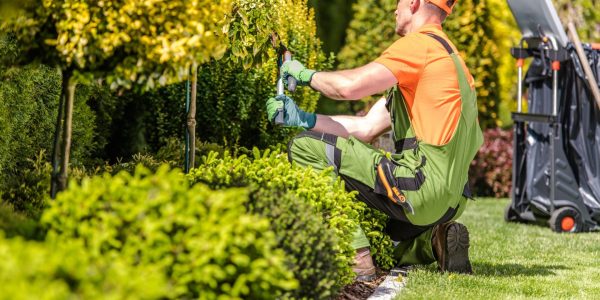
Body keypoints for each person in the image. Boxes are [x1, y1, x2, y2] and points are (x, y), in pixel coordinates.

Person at [266, 0, 483, 280]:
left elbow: (348, 88)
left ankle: (355, 257)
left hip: (421, 188)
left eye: (398, 2)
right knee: (380, 237)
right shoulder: (451, 59)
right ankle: (433, 241)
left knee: (304, 147)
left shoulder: (419, 46)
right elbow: (367, 127)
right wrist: (304, 119)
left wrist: (304, 74)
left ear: (415, 3)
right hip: (451, 201)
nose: (394, 9)